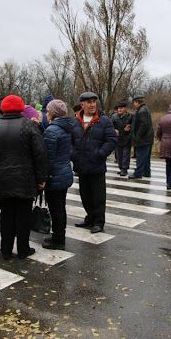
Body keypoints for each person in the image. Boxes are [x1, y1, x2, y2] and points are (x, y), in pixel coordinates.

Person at [0, 95, 47, 260]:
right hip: (25, 178)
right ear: (21, 108)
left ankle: (6, 250)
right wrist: (41, 178)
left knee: (6, 216)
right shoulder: (30, 126)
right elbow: (39, 154)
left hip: (3, 178)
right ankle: (23, 249)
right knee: (23, 216)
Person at [72, 92, 117, 233]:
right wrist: (72, 155)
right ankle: (89, 218)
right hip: (81, 165)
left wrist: (100, 154)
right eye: (89, 102)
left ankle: (98, 221)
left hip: (96, 165)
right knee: (85, 195)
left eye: (93, 102)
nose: (92, 105)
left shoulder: (104, 121)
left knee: (98, 196)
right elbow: (69, 141)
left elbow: (111, 141)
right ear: (82, 105)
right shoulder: (75, 120)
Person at [41, 99, 75, 250]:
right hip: (65, 172)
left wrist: (43, 177)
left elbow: (47, 157)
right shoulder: (67, 127)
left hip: (54, 175)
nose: (46, 114)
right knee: (61, 207)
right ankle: (60, 236)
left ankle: (57, 239)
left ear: (53, 114)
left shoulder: (52, 130)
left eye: (48, 111)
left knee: (55, 208)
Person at [129, 95, 154, 179]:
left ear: (137, 102)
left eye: (134, 103)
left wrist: (137, 136)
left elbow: (144, 125)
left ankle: (138, 173)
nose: (134, 104)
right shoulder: (145, 109)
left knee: (140, 156)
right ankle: (147, 172)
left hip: (143, 139)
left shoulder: (142, 111)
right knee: (146, 157)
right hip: (148, 138)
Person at [112, 101, 133, 176]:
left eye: (121, 108)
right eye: (118, 108)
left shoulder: (131, 116)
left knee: (125, 155)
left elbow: (135, 126)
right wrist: (114, 130)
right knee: (119, 155)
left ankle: (124, 169)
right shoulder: (114, 116)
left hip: (127, 138)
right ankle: (121, 168)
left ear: (125, 108)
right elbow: (110, 126)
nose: (119, 110)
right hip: (118, 139)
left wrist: (130, 127)